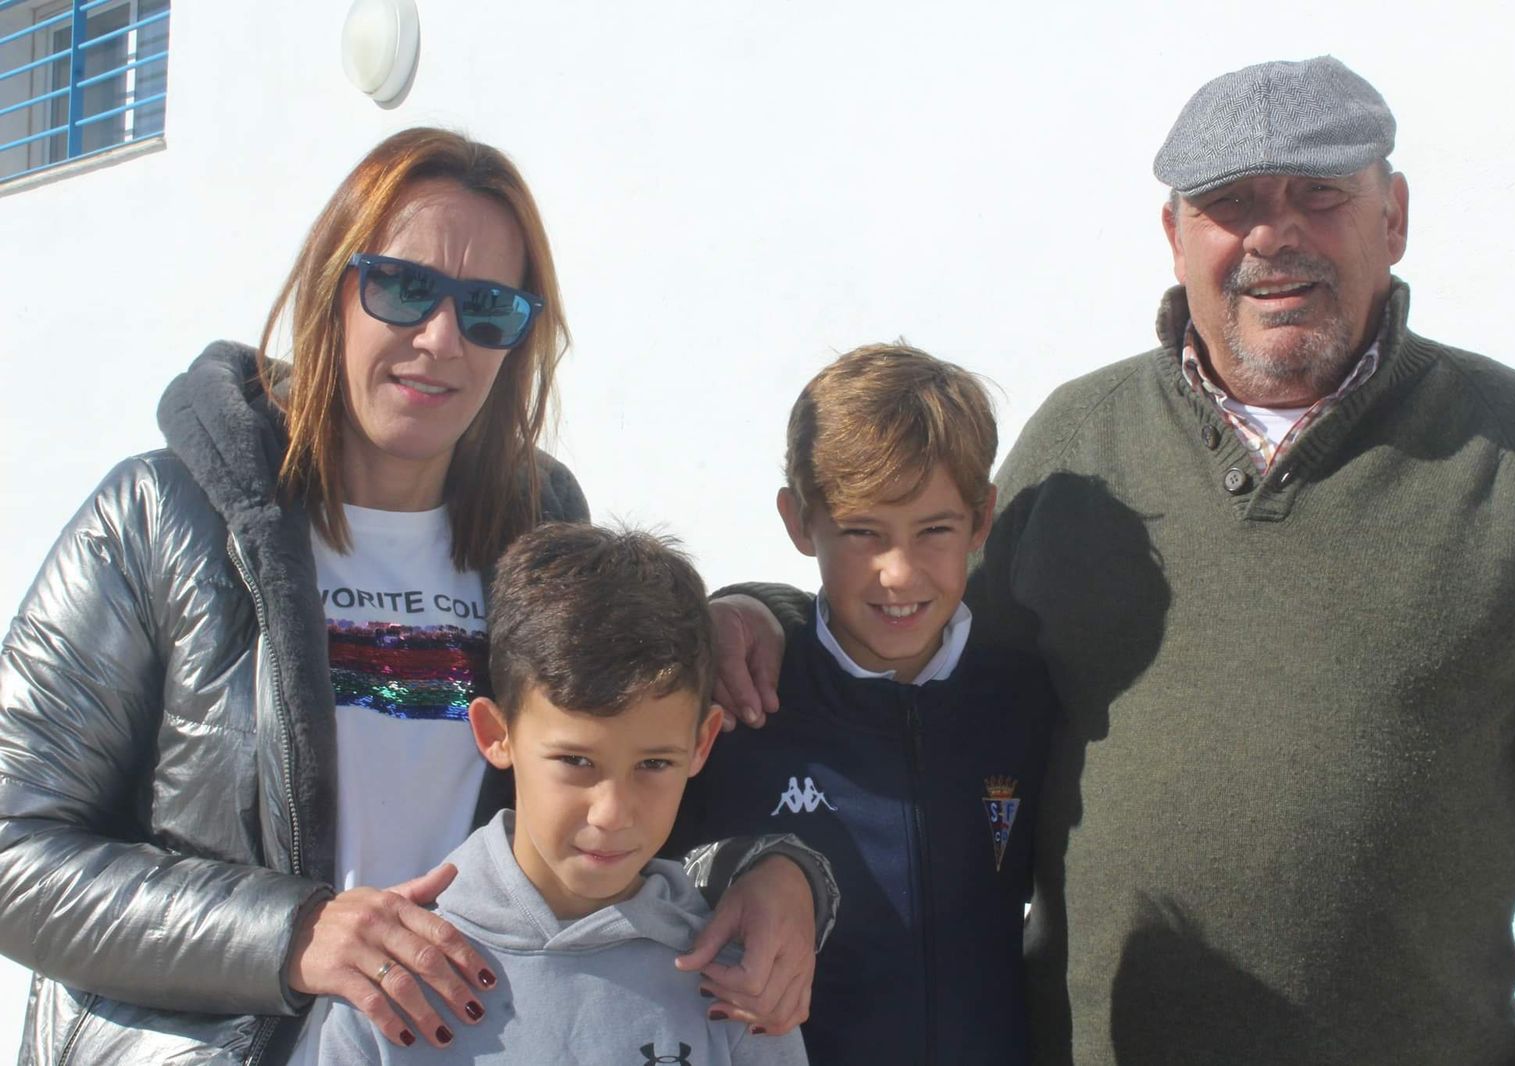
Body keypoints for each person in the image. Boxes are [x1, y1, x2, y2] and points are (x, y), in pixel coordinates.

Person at [713, 57, 1515, 1065]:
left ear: (1391, 217)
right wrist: (762, 614)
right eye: (1230, 204)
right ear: (1175, 237)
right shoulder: (1078, 449)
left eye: (1320, 193)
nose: (1274, 234)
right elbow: (915, 641)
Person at [0, 127, 830, 1065]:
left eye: (488, 309)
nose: (441, 339)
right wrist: (294, 932)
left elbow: (618, 779)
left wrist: (776, 867)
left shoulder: (540, 527)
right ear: (332, 289)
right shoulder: (161, 517)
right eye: (401, 286)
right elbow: (12, 849)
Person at [674, 344, 1055, 1065]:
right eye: (861, 532)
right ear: (799, 522)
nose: (899, 571)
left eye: (935, 530)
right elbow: (645, 869)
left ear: (982, 522)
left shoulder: (1026, 703)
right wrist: (744, 865)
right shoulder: (742, 702)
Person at [319, 523, 809, 1065]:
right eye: (576, 761)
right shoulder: (393, 983)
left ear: (702, 743)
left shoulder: (739, 983)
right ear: (495, 734)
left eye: (653, 763)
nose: (612, 812)